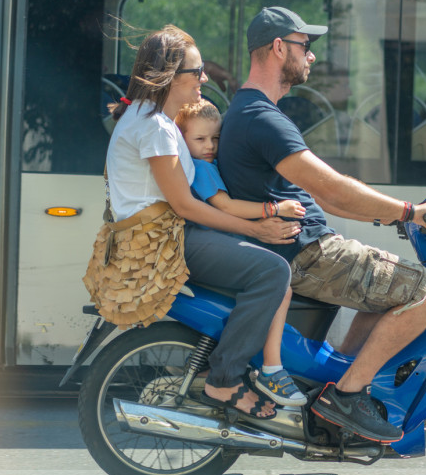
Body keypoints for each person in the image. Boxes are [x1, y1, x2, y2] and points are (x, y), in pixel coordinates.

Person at [218, 6, 426, 444]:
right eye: (305, 46)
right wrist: (409, 211)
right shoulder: (262, 119)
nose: (311, 56)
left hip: (304, 247)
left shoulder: (250, 111)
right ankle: (346, 397)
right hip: (308, 254)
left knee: (386, 291)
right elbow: (333, 190)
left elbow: (330, 198)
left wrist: (386, 212)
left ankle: (335, 389)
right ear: (278, 48)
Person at [105, 24, 303, 418]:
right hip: (166, 239)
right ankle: (225, 378)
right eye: (197, 72)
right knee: (272, 271)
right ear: (169, 76)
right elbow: (187, 206)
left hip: (164, 234)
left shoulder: (153, 119)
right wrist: (257, 227)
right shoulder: (154, 127)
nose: (205, 78)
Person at [174, 100, 306, 405]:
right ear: (182, 138)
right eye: (200, 139)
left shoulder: (204, 165)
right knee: (277, 280)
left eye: (215, 138)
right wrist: (275, 208)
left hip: (215, 240)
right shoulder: (202, 168)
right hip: (209, 241)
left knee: (280, 287)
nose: (209, 146)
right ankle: (265, 368)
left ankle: (266, 365)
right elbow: (226, 206)